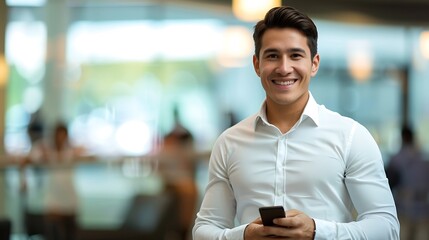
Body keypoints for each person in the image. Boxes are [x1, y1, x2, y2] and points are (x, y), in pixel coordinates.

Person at [193, 6, 399, 240]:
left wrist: (317, 231)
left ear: (314, 63)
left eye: (295, 55)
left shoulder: (351, 136)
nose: (284, 68)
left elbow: (387, 228)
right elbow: (204, 229)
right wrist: (244, 235)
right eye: (272, 56)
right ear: (257, 64)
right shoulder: (229, 142)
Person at [387, 126, 429, 240]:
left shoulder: (396, 159)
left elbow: (388, 185)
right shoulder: (424, 157)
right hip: (423, 209)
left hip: (403, 208)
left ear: (402, 137)